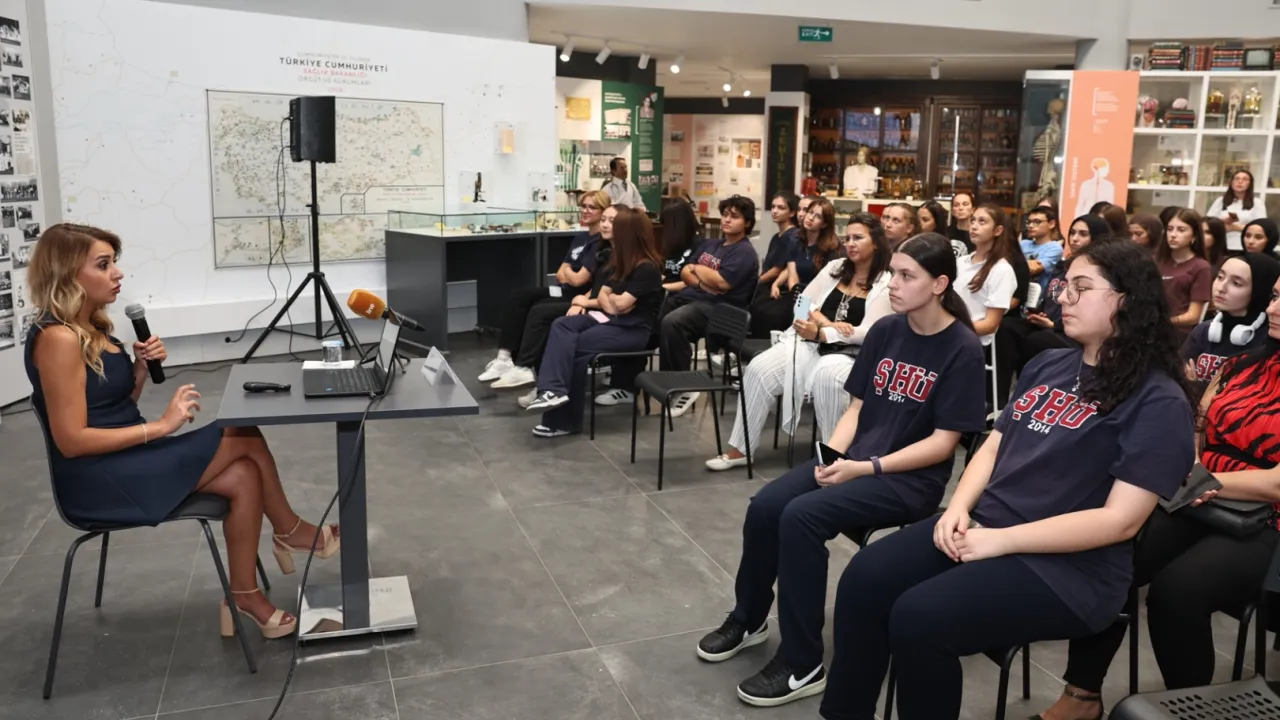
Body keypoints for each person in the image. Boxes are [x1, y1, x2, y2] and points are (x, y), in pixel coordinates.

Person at [822, 240, 1196, 720]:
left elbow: (1119, 521)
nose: (1063, 297)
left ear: (1128, 300)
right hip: (985, 527)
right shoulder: (1048, 364)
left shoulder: (1158, 400)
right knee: (865, 578)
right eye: (1064, 286)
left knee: (920, 618)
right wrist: (959, 508)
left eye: (1082, 288)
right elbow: (993, 446)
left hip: (1070, 570)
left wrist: (1001, 541)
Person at [697, 233, 986, 709]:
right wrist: (832, 456)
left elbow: (943, 444)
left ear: (939, 284)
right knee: (766, 506)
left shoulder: (962, 348)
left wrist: (865, 467)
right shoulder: (888, 330)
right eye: (893, 273)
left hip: (906, 480)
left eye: (906, 276)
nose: (893, 284)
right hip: (856, 460)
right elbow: (857, 409)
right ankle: (749, 618)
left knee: (801, 517)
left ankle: (802, 662)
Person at [24, 224, 345, 640]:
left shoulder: (92, 328)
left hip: (126, 460)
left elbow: (110, 409)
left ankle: (245, 595)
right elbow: (71, 441)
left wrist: (139, 371)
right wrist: (161, 426)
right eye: (103, 265)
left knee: (244, 474)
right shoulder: (58, 339)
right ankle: (291, 532)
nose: (117, 273)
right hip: (98, 480)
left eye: (114, 263)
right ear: (67, 273)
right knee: (240, 434)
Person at [1035, 260, 1280, 720]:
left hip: (1269, 520)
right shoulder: (1244, 365)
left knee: (1177, 592)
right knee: (1114, 558)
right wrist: (1190, 467)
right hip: (1198, 495)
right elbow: (1198, 424)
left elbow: (1276, 482)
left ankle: (1187, 708)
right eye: (1275, 296)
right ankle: (1081, 696)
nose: (1274, 308)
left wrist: (1204, 481)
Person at [706, 212, 893, 471]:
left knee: (830, 378)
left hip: (850, 354)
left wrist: (823, 333)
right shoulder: (835, 268)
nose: (850, 243)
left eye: (858, 238)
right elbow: (802, 303)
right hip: (809, 342)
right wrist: (824, 323)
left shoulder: (886, 282)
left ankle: (834, 459)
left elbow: (868, 332)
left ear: (876, 243)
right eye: (847, 238)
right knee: (759, 368)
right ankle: (741, 448)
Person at [602, 195, 760, 416]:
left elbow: (722, 283)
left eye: (734, 217)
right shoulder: (711, 244)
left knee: (673, 323)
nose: (727, 220)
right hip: (692, 298)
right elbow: (686, 272)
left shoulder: (744, 252)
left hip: (721, 309)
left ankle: (681, 388)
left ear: (748, 223)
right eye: (725, 215)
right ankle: (626, 386)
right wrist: (702, 280)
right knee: (643, 320)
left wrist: (699, 271)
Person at [524, 207, 664, 436]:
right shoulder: (619, 260)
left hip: (631, 330)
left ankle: (560, 419)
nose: (606, 227)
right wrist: (614, 300)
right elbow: (604, 298)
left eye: (615, 224)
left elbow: (618, 305)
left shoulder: (647, 267)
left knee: (571, 348)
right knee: (561, 324)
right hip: (610, 320)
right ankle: (552, 391)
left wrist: (613, 300)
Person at [480, 191, 608, 387]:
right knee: (520, 296)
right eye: (583, 206)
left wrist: (569, 272)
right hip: (563, 290)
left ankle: (525, 367)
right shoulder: (580, 238)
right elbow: (559, 273)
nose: (586, 210)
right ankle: (505, 358)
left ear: (603, 211)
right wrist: (570, 273)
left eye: (592, 207)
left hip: (578, 296)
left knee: (539, 310)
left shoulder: (600, 243)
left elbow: (578, 280)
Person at [995, 215, 1114, 401]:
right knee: (1007, 327)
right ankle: (998, 399)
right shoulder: (1063, 266)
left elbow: (1092, 313)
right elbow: (1051, 297)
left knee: (1037, 341)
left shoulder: (1102, 271)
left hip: (1074, 334)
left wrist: (1054, 325)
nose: (1074, 239)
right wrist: (1037, 314)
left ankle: (1033, 398)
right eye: (1072, 233)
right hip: (1048, 324)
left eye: (1083, 234)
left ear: (1097, 237)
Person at [1181, 252, 1280, 387]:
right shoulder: (1203, 331)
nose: (1221, 288)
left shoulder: (1269, 338)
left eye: (1236, 283)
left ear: (1259, 291)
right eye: (1220, 277)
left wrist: (1195, 386)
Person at [750, 197, 838, 338]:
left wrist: (803, 303)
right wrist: (795, 294)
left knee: (778, 315)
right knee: (762, 307)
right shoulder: (795, 240)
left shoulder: (832, 248)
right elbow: (792, 273)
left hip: (818, 297)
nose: (810, 218)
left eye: (818, 216)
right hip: (797, 292)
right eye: (810, 212)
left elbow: (827, 284)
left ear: (824, 224)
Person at [956, 203, 1018, 347]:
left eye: (982, 221)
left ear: (997, 230)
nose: (974, 226)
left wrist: (951, 330)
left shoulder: (1001, 270)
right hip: (951, 332)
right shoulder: (960, 262)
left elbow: (990, 324)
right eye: (973, 220)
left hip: (972, 341)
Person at [1158, 208, 1213, 341]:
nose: (1173, 235)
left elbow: (1193, 316)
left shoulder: (1200, 267)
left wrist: (1163, 322)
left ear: (1194, 235)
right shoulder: (1156, 261)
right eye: (1170, 229)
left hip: (1178, 335)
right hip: (1150, 332)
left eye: (1181, 230)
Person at [1206, 170, 1261, 252]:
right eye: (1237, 179)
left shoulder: (1257, 202)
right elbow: (1207, 222)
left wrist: (1235, 227)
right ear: (1231, 182)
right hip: (1220, 245)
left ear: (1250, 184)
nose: (1240, 181)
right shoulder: (1220, 200)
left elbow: (1261, 227)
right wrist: (1221, 221)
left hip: (1244, 246)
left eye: (1244, 179)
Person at [756, 192, 800, 289]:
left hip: (779, 288)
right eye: (773, 207)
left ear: (792, 213)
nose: (775, 211)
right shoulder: (776, 236)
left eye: (781, 208)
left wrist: (756, 282)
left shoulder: (792, 236)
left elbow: (777, 270)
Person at [1021, 206, 1064, 292]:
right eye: (1029, 222)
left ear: (1051, 224)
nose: (1031, 225)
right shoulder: (1023, 244)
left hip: (1039, 295)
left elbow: (1034, 269)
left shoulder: (1055, 248)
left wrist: (1016, 263)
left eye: (1037, 222)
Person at [659, 199, 700, 289]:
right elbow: (666, 273)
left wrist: (661, 288)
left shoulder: (699, 246)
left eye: (667, 224)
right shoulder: (672, 243)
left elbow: (692, 282)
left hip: (680, 293)